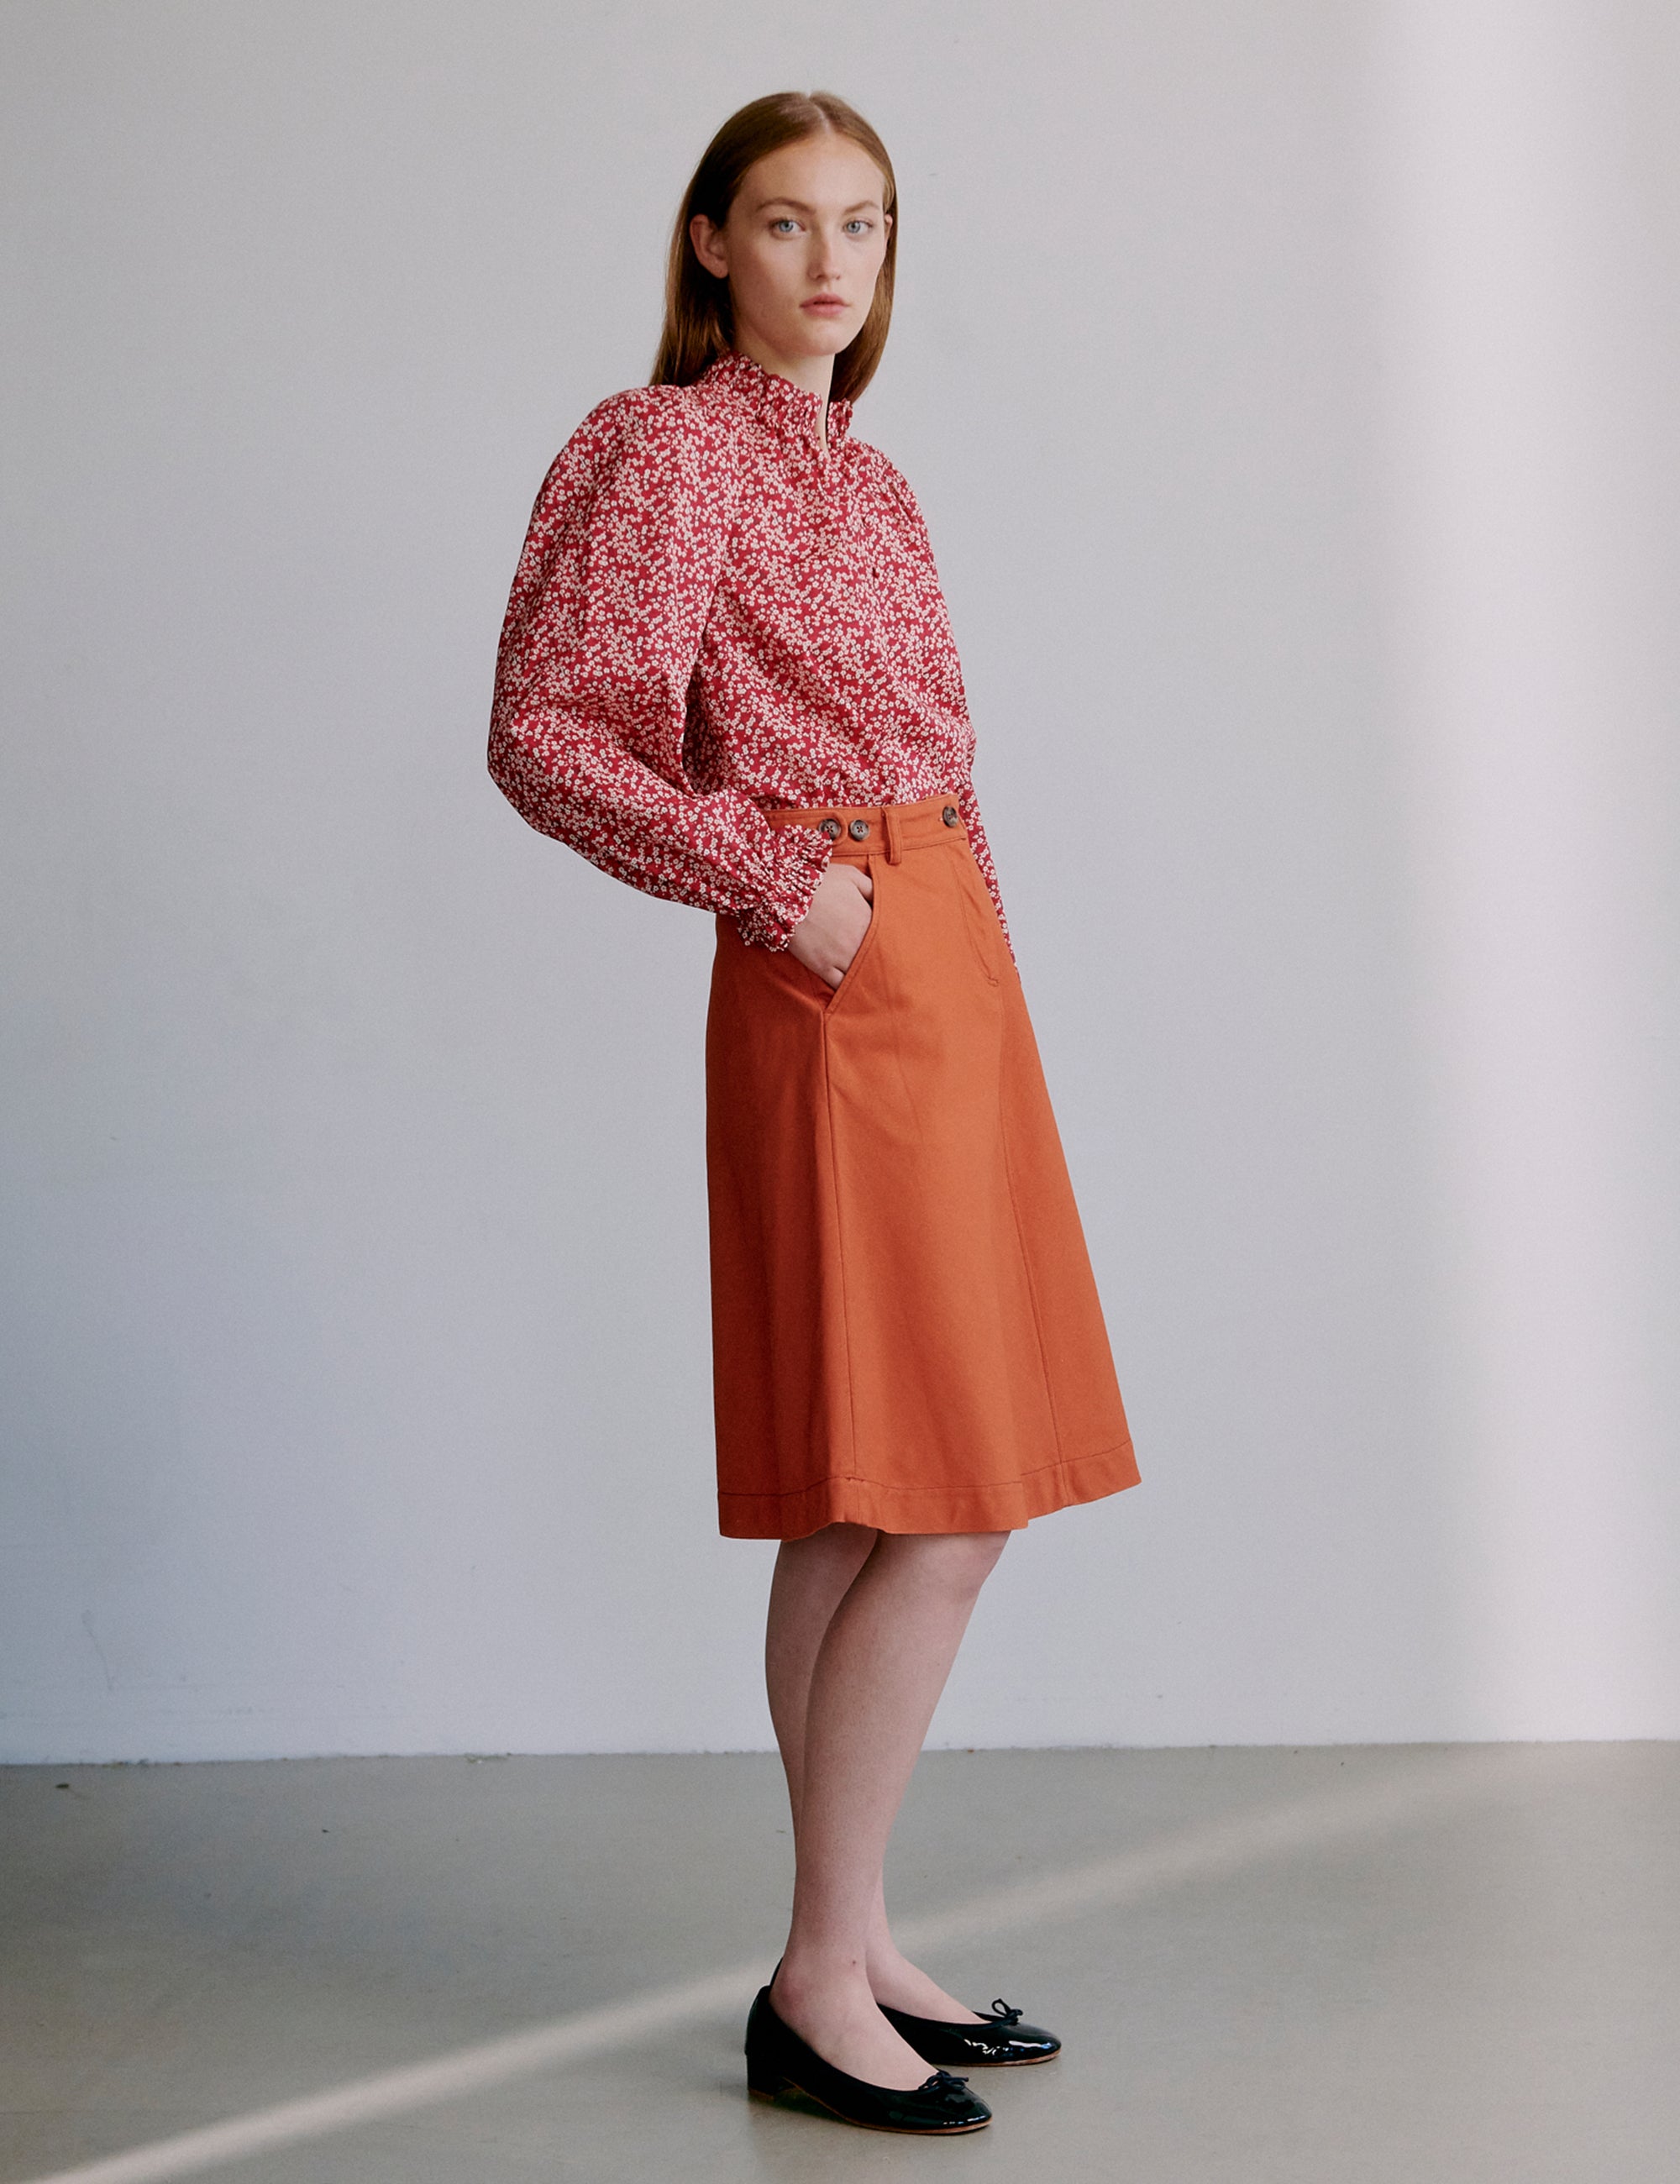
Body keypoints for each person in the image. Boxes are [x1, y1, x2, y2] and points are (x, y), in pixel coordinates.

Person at [486, 89, 1139, 2137]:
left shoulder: (877, 478)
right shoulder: (663, 449)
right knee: (945, 1490)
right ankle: (806, 1971)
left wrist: (978, 967)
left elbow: (941, 761)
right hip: (833, 967)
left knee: (874, 1488)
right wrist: (789, 891)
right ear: (708, 243)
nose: (829, 262)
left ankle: (846, 1945)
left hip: (942, 961)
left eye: (861, 222)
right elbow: (544, 731)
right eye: (784, 222)